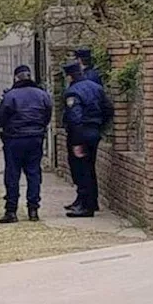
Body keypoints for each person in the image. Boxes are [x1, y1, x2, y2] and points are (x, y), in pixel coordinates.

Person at [0, 65, 52, 223]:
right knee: (34, 173)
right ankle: (33, 209)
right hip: (35, 138)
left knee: (12, 174)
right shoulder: (42, 95)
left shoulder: (11, 96)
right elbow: (47, 115)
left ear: (16, 78)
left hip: (14, 139)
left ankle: (11, 210)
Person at [61, 60, 113, 217]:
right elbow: (108, 109)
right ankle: (89, 200)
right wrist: (99, 126)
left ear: (70, 76)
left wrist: (77, 141)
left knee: (81, 169)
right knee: (89, 168)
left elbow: (75, 118)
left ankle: (85, 206)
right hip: (94, 132)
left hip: (80, 135)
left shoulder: (73, 92)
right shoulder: (96, 87)